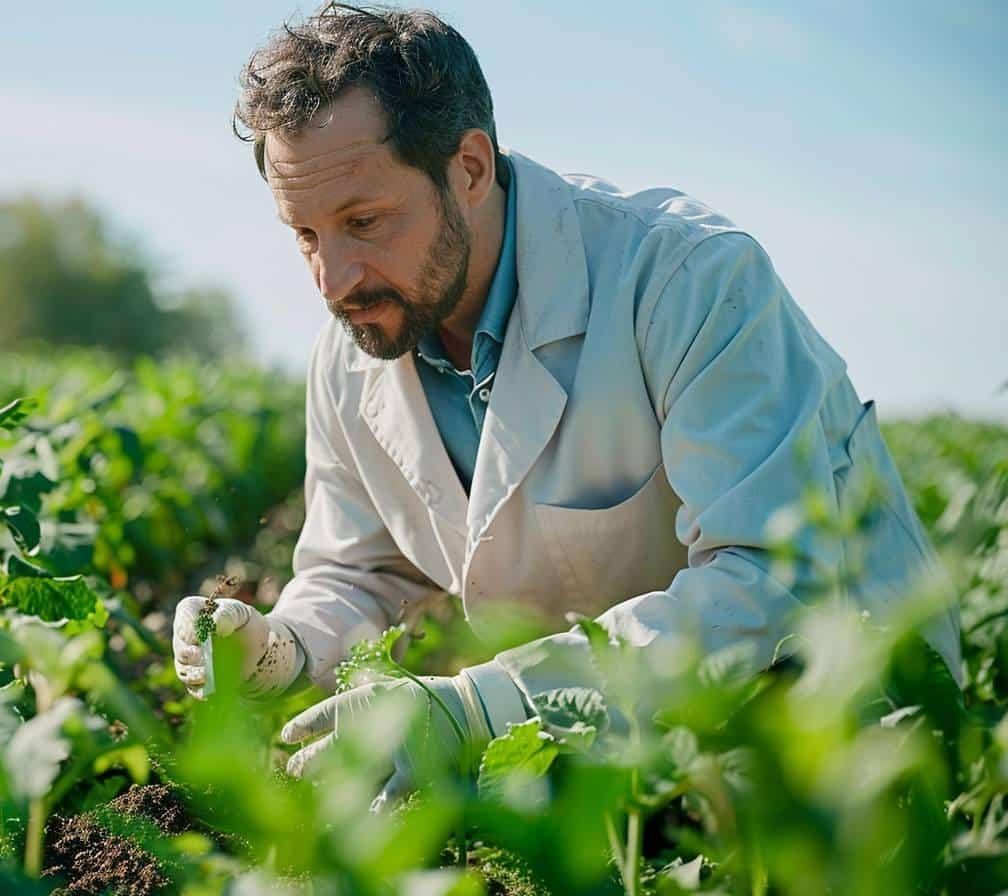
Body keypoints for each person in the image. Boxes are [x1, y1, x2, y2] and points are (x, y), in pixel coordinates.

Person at [171, 2, 962, 810]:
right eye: (304, 234)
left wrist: (481, 708)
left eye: (364, 222)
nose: (333, 280)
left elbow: (767, 585)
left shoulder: (688, 283)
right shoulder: (356, 346)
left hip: (849, 735)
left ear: (470, 168)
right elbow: (359, 568)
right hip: (612, 738)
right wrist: (285, 647)